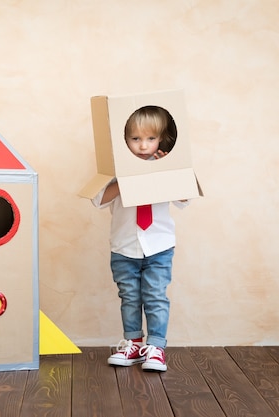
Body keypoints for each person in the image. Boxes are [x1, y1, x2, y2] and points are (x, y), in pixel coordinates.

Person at [91, 105, 188, 372]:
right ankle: (133, 343)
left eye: (150, 138)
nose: (143, 146)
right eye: (135, 139)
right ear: (123, 141)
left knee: (155, 296)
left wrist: (165, 171)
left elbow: (184, 197)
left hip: (159, 246)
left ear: (161, 139)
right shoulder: (114, 171)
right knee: (130, 297)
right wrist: (124, 178)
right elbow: (98, 199)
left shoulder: (164, 167)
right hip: (124, 248)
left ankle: (155, 348)